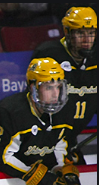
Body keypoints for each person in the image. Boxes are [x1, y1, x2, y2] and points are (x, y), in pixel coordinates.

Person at [0, 57, 82, 185]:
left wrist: (60, 171)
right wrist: (35, 176)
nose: (55, 94)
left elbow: (59, 146)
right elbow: (1, 157)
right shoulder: (10, 111)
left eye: (58, 87)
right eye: (48, 87)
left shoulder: (66, 111)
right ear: (33, 88)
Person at [32, 6, 97, 164]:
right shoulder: (49, 56)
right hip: (42, 141)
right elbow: (34, 102)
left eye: (91, 32)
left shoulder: (95, 59)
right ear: (67, 32)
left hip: (70, 141)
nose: (87, 40)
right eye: (80, 33)